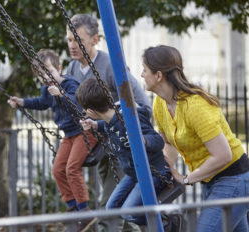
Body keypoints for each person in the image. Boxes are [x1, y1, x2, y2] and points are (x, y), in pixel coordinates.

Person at [141, 45, 249, 231]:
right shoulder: (161, 103)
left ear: (158, 75)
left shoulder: (195, 106)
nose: (141, 74)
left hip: (234, 178)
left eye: (144, 69)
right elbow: (168, 143)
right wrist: (169, 166)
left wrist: (186, 179)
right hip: (212, 180)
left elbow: (223, 155)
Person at [65, 13, 151, 232]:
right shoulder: (72, 69)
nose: (72, 46)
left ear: (95, 40)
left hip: (123, 145)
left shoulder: (111, 66)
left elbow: (142, 105)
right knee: (121, 211)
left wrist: (117, 123)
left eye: (78, 40)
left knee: (111, 209)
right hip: (101, 145)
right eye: (69, 40)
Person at [8, 49, 97, 232]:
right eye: (40, 75)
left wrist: (61, 95)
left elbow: (78, 104)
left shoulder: (71, 84)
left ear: (59, 68)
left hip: (84, 131)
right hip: (69, 135)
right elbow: (42, 102)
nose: (45, 77)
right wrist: (22, 102)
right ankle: (72, 207)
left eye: (48, 71)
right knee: (57, 169)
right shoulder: (47, 90)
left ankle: (84, 211)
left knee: (72, 168)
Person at [76, 78, 171, 226]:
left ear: (90, 111)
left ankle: (166, 222)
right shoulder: (110, 119)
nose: (83, 112)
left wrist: (143, 140)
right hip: (134, 174)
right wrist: (94, 125)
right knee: (111, 208)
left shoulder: (130, 118)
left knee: (129, 212)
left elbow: (158, 141)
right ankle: (152, 224)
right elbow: (110, 125)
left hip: (154, 172)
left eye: (84, 109)